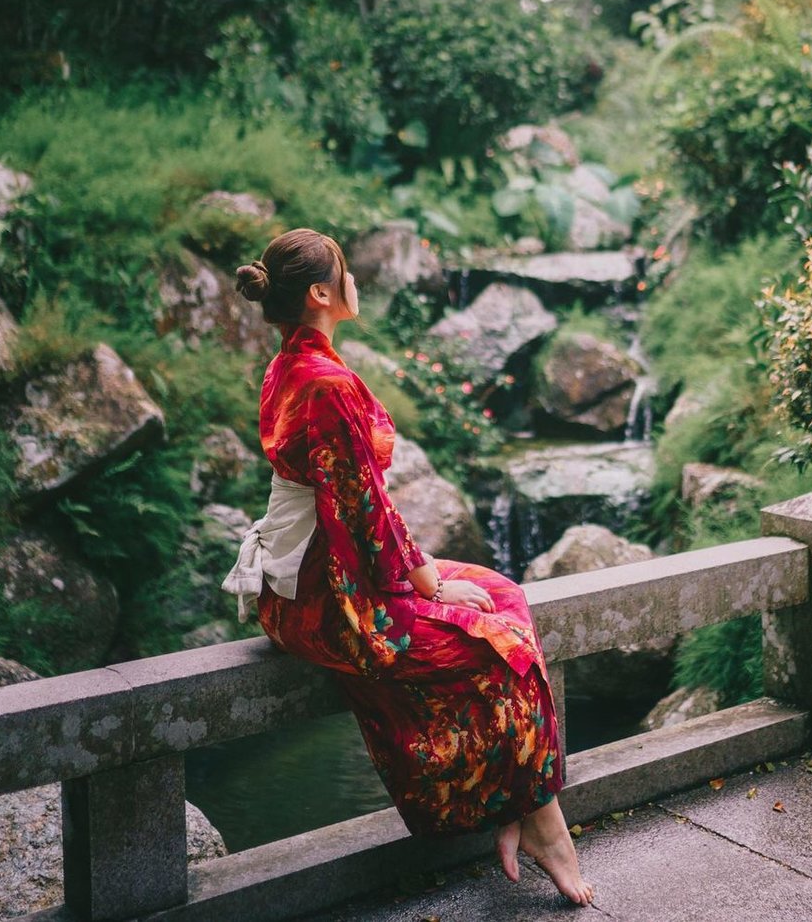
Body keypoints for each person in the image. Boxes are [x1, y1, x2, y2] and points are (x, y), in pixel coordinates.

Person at [223, 227, 592, 906]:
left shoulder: (293, 363)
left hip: (313, 579)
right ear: (321, 293)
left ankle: (521, 812)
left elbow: (361, 509)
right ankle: (543, 823)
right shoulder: (326, 383)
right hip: (329, 599)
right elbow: (362, 512)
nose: (357, 280)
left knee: (502, 593)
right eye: (346, 271)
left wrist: (432, 579)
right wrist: (430, 583)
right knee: (498, 642)